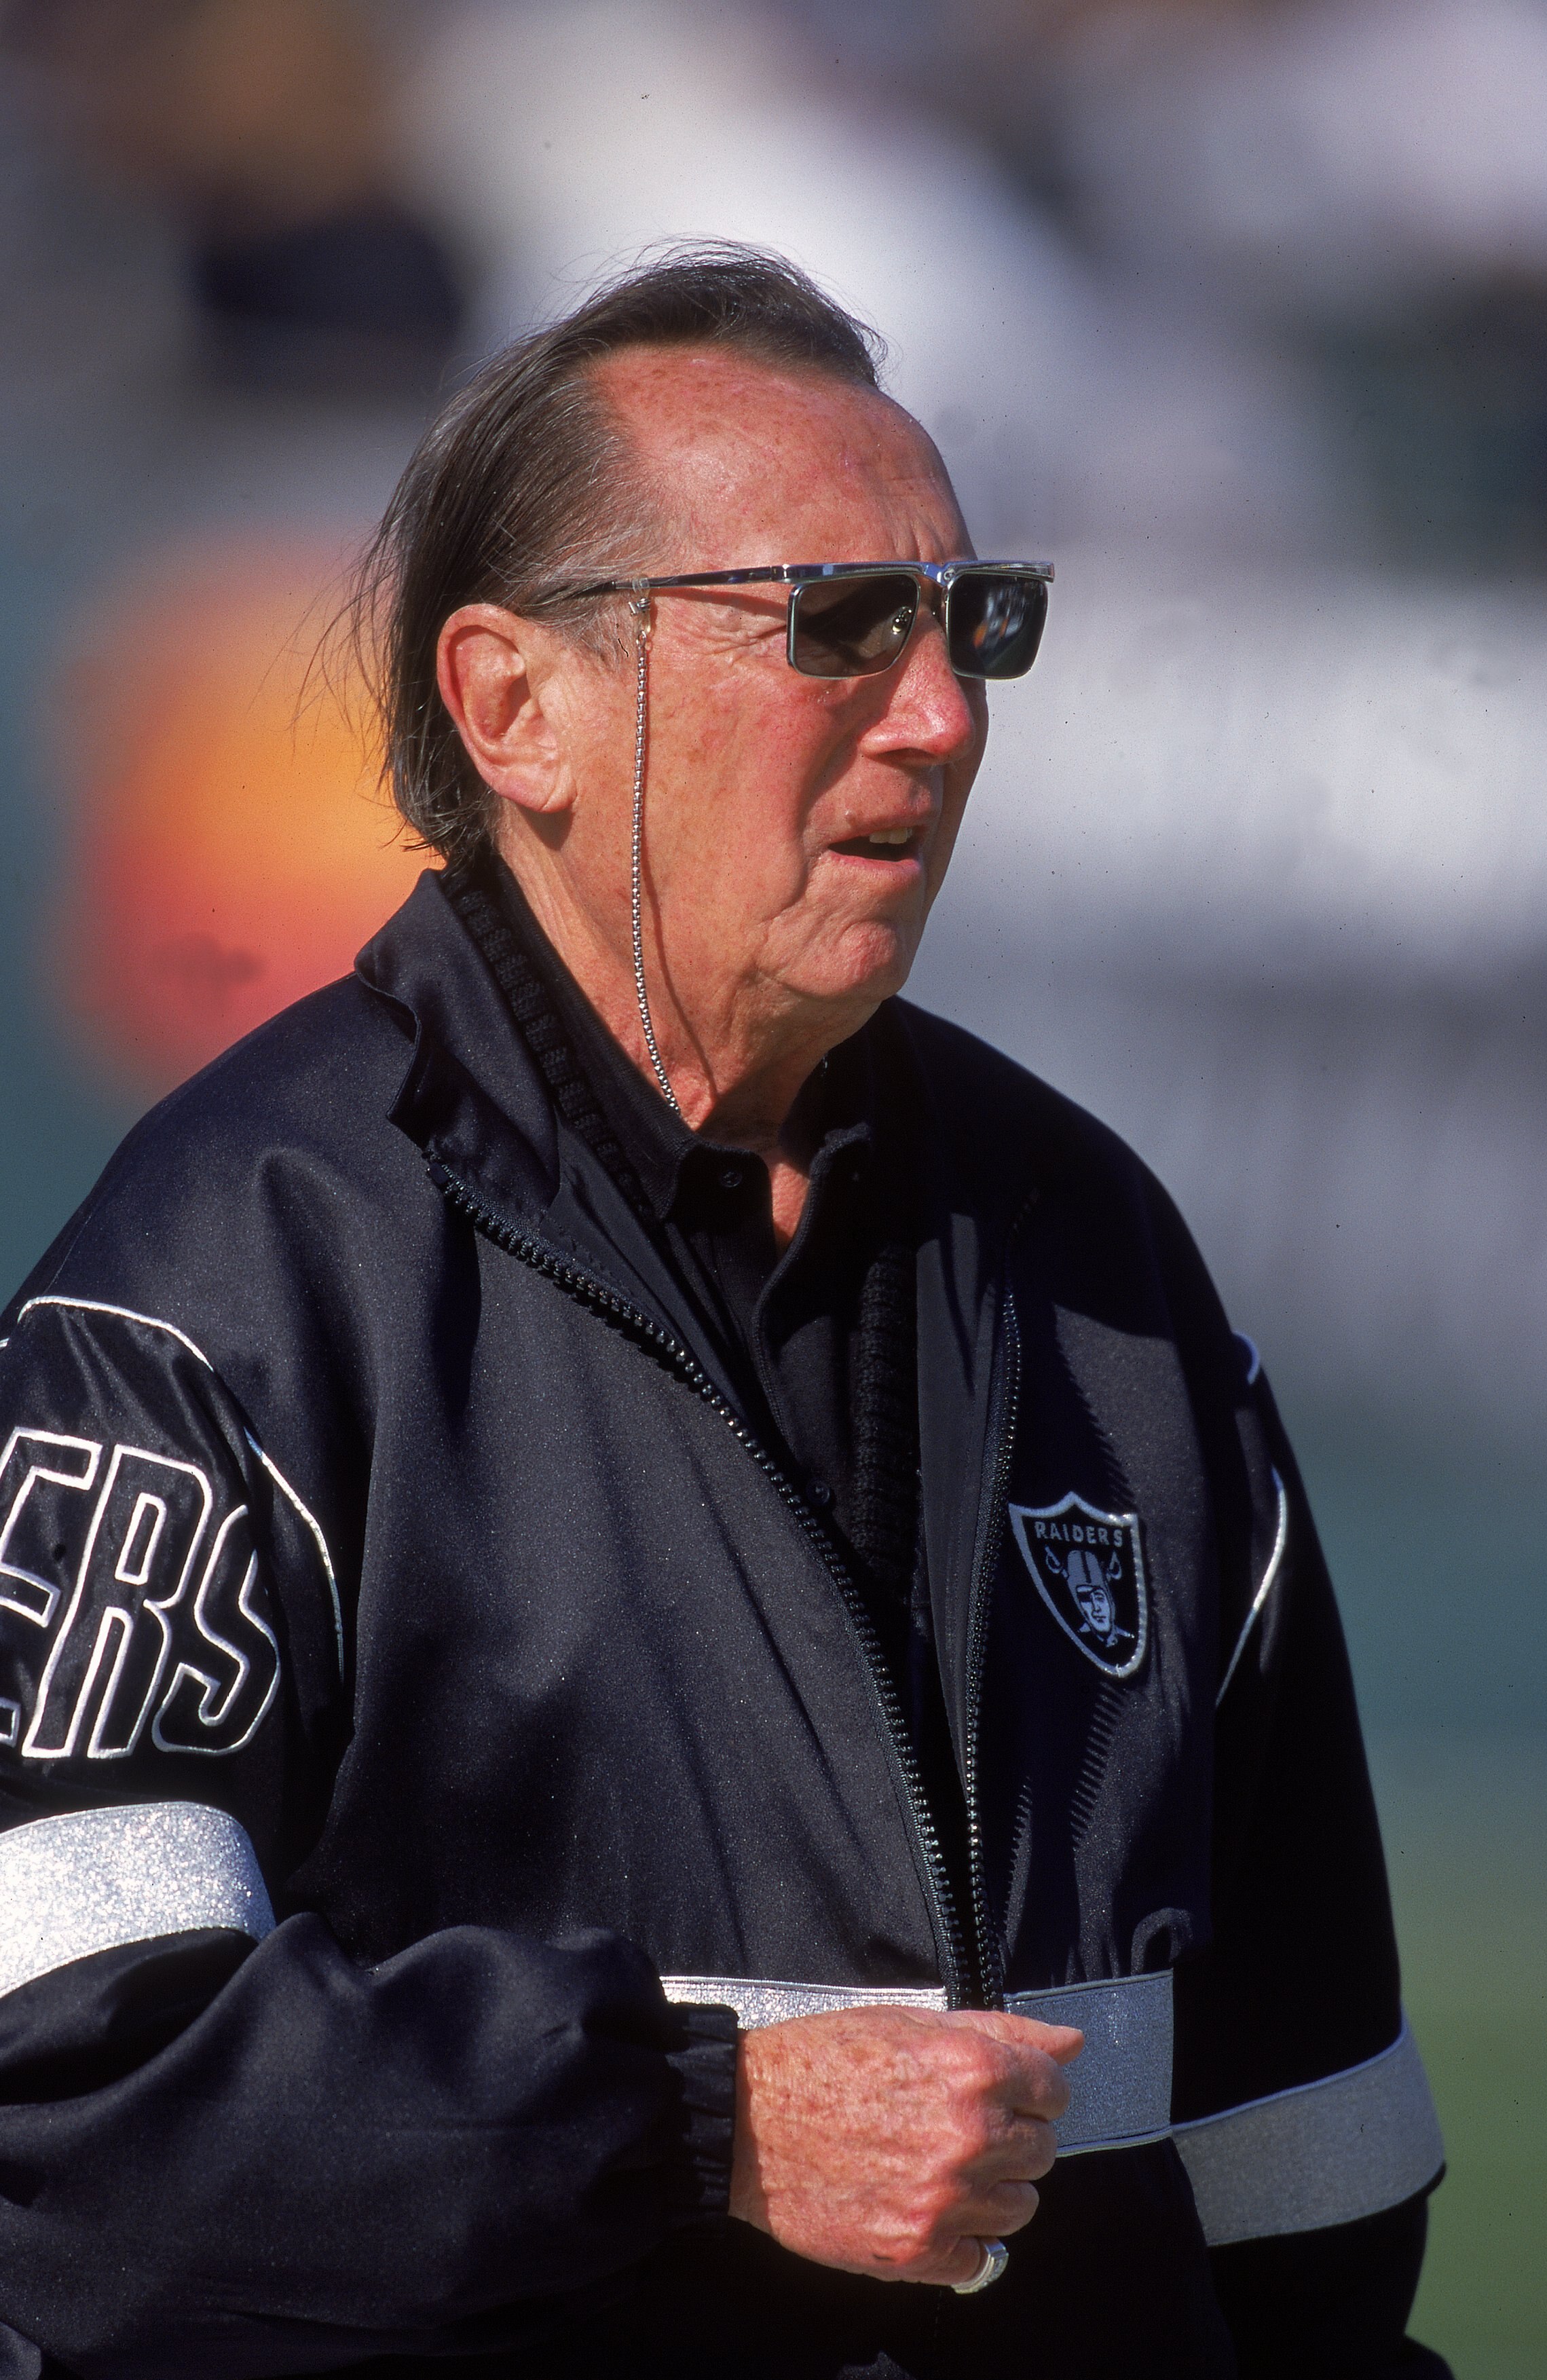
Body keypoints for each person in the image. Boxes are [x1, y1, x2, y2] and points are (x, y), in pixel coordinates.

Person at [0, 248, 1449, 2380]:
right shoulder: (222, 1287)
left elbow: (1304, 2180)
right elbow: (65, 2116)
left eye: (981, 624)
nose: (946, 714)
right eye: (840, 624)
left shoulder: (1107, 1264)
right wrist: (692, 2128)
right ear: (515, 707)